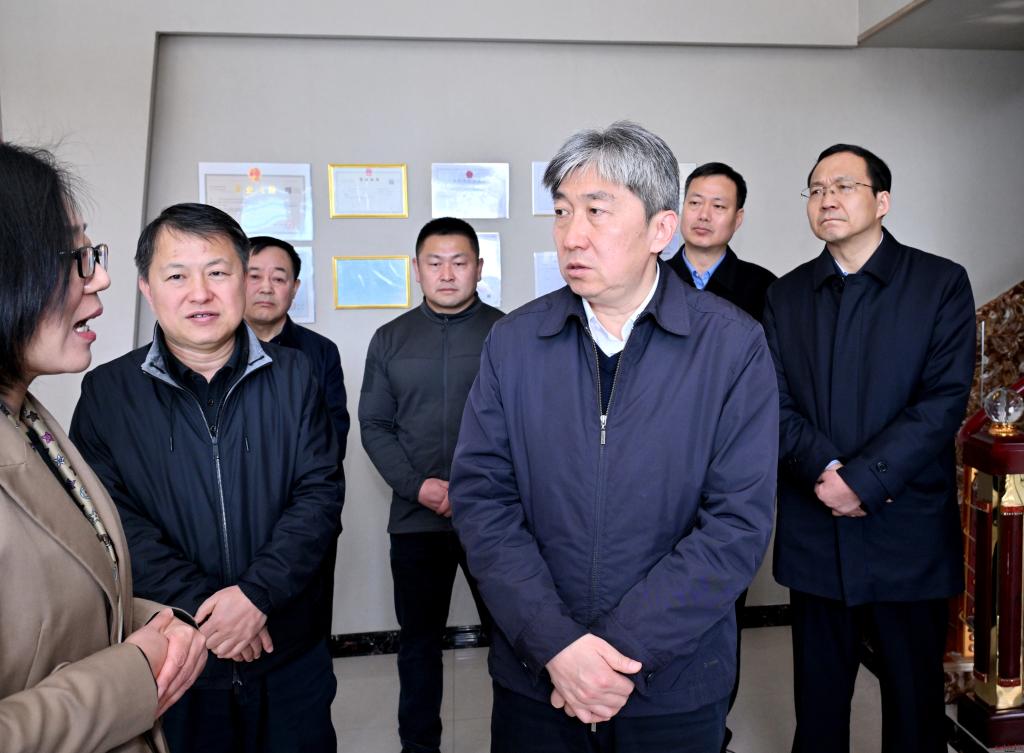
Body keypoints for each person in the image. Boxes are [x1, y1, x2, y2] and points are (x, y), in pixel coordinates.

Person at [449, 122, 779, 753]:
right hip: (538, 678)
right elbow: (483, 502)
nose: (572, 235)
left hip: (673, 683)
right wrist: (557, 646)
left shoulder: (732, 346)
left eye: (597, 211)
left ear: (661, 229)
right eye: (562, 211)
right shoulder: (514, 343)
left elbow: (737, 524)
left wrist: (614, 653)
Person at [70, 203, 344, 753]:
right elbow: (111, 522)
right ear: (147, 288)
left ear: (243, 279)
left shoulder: (298, 376)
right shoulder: (107, 394)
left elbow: (318, 495)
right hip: (179, 655)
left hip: (288, 647)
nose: (200, 293)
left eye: (218, 272)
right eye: (177, 276)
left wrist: (258, 594)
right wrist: (211, 610)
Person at [763, 144, 976, 753]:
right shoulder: (787, 295)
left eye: (843, 186)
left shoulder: (939, 283)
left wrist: (864, 479)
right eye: (815, 189)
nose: (826, 199)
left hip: (905, 527)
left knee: (913, 707)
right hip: (816, 524)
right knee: (819, 707)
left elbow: (943, 401)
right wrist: (826, 470)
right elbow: (772, 402)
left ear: (882, 202)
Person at [0, 142, 206, 752]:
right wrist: (132, 675)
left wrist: (156, 622)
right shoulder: (109, 391)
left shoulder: (30, 419)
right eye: (75, 257)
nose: (101, 278)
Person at [359, 216, 503, 753]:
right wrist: (417, 486)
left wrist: (474, 488)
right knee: (418, 647)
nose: (447, 274)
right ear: (416, 270)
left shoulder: (507, 333)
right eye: (434, 263)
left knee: (513, 642)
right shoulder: (390, 339)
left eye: (459, 262)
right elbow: (374, 425)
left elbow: (530, 424)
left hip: (495, 517)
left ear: (479, 268)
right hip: (415, 519)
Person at [666, 160, 776, 752]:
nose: (704, 215)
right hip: (657, 469)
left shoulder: (764, 289)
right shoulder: (649, 277)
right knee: (657, 596)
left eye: (719, 205)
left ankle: (715, 727)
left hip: (729, 471)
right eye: (695, 202)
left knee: (721, 603)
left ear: (738, 217)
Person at [245, 234, 349, 637]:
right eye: (254, 276)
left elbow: (332, 439)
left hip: (306, 519)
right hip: (235, 522)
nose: (266, 287)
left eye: (279, 278)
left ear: (295, 288)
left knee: (307, 635)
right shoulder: (212, 350)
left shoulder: (319, 352)